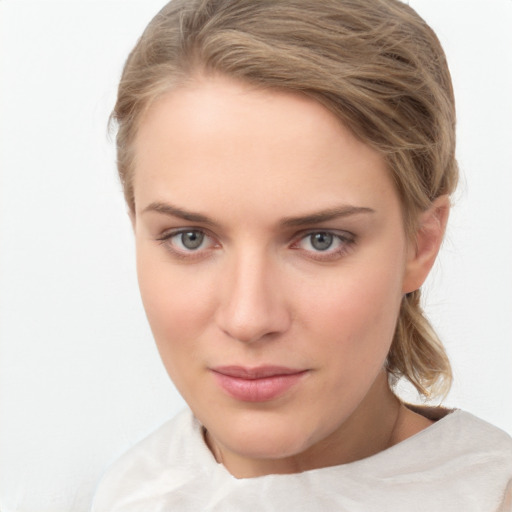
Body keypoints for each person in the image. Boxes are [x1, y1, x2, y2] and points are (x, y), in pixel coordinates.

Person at [91, 0, 512, 510]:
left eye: (321, 240)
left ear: (420, 243)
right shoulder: (128, 492)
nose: (248, 319)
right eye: (191, 238)